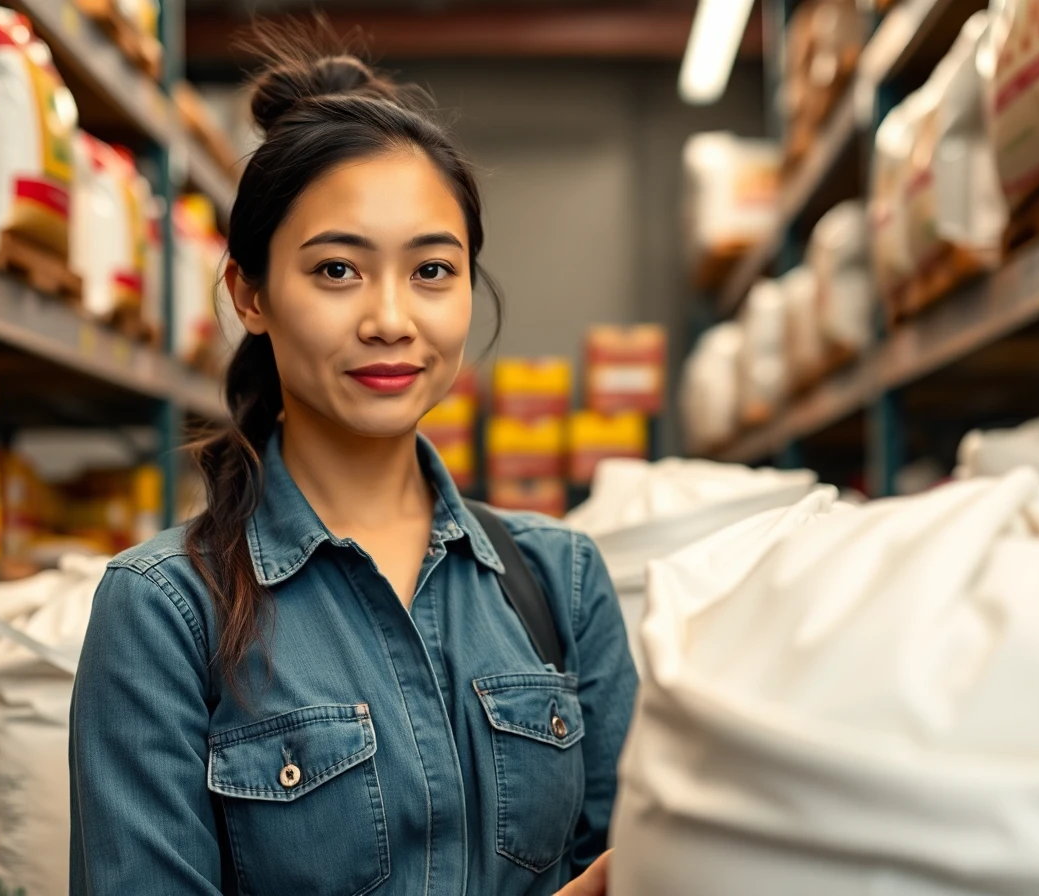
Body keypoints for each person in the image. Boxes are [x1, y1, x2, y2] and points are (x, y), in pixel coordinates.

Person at [68, 27, 637, 896]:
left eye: (432, 271)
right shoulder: (165, 614)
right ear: (250, 294)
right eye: (337, 269)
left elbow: (641, 863)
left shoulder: (561, 583)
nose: (390, 318)